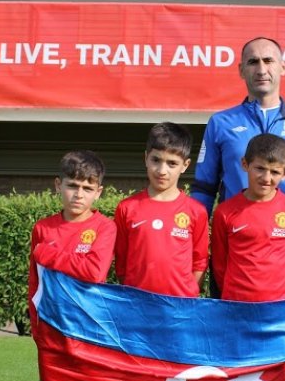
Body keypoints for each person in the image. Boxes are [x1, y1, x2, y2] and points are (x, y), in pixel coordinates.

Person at [192, 36, 285, 217]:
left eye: (268, 61)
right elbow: (204, 187)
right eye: (253, 62)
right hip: (238, 235)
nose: (261, 70)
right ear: (241, 70)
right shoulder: (220, 123)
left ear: (283, 67)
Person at [113, 122, 208, 297]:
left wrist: (187, 296)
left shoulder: (196, 211)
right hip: (137, 304)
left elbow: (200, 262)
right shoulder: (127, 208)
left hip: (179, 308)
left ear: (185, 165)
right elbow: (121, 262)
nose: (162, 170)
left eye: (172, 163)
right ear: (146, 158)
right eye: (156, 160)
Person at [211, 133, 285, 302]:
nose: (266, 178)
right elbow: (219, 265)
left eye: (275, 172)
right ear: (245, 164)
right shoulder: (225, 211)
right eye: (260, 169)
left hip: (281, 305)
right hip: (236, 305)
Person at [28, 150, 116, 335]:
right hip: (50, 322)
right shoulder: (43, 228)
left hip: (88, 323)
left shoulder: (105, 227)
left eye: (87, 188)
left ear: (98, 192)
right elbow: (36, 283)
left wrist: (48, 254)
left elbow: (94, 272)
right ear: (58, 185)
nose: (79, 194)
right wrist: (36, 326)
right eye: (73, 186)